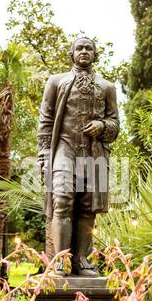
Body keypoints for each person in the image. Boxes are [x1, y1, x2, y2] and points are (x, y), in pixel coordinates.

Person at [37, 37, 119, 277]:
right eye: (79, 48)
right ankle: (60, 260)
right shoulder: (56, 82)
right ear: (72, 54)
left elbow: (115, 124)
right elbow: (46, 121)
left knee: (87, 207)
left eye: (89, 48)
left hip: (93, 153)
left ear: (95, 54)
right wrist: (44, 157)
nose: (84, 51)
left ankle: (82, 259)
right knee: (62, 201)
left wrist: (102, 126)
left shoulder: (107, 87)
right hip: (64, 149)